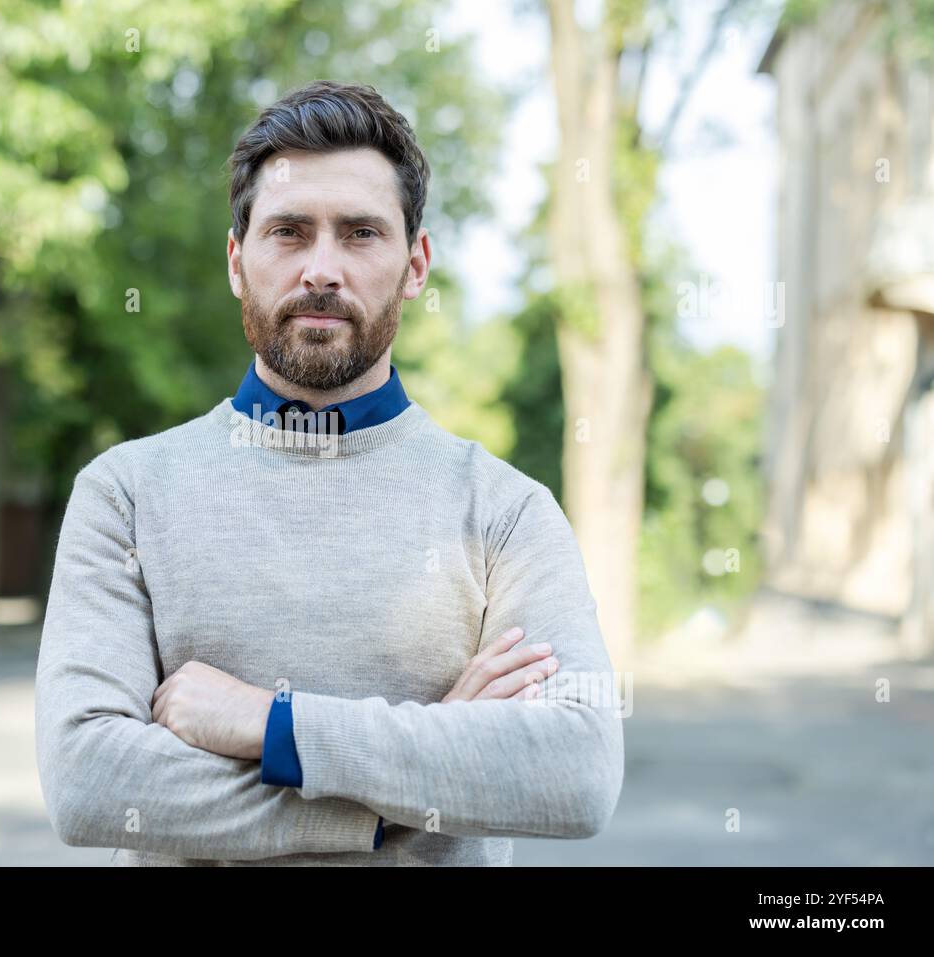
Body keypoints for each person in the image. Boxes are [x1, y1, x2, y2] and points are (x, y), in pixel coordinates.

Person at [34, 79, 624, 866]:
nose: (321, 268)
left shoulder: (506, 512)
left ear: (415, 264)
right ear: (238, 261)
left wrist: (271, 724)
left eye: (359, 233)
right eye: (288, 231)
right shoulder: (127, 494)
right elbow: (91, 780)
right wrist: (409, 789)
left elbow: (576, 769)